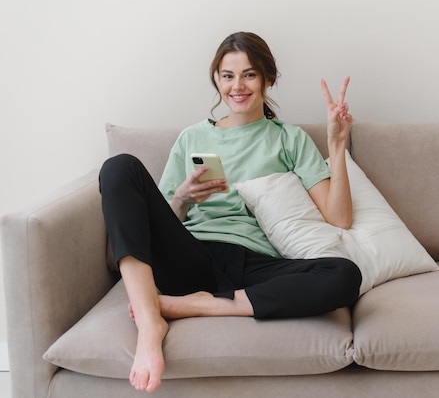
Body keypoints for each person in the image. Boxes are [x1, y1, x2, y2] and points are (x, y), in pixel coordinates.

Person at [98, 31, 362, 393]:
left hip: (254, 266)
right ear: (217, 80)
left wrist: (337, 144)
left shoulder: (289, 137)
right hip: (191, 255)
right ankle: (149, 322)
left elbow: (339, 218)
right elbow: (145, 230)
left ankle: (198, 307)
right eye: (228, 75)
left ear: (268, 79)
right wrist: (182, 199)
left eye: (249, 74)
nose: (238, 86)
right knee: (119, 167)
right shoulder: (191, 138)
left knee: (345, 274)